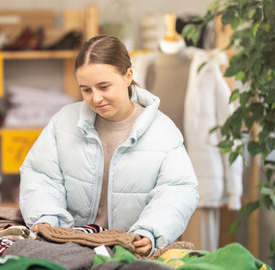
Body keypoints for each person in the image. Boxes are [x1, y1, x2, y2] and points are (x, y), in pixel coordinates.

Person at [19, 35, 199, 256]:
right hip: (70, 246)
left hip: (132, 251)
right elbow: (41, 176)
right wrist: (45, 217)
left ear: (128, 76)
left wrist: (150, 231)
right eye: (86, 90)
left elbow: (177, 191)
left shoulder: (163, 132)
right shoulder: (63, 122)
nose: (96, 98)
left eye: (104, 87)